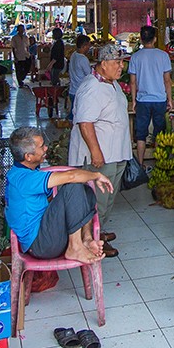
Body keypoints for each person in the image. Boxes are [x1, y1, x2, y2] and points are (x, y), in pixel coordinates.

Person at [4, 126, 111, 264]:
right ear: (28, 157)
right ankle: (75, 247)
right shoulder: (23, 178)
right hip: (40, 245)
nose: (46, 149)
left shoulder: (29, 171)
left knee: (86, 190)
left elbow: (49, 202)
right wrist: (96, 175)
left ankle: (87, 239)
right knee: (73, 187)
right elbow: (71, 176)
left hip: (46, 235)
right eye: (41, 146)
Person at [69, 43, 131, 246]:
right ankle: (91, 240)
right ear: (103, 64)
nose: (121, 67)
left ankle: (99, 232)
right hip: (101, 156)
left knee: (108, 198)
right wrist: (96, 153)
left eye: (122, 62)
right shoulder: (92, 88)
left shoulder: (110, 82)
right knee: (98, 200)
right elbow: (85, 123)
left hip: (116, 153)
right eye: (117, 62)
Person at [128, 25, 173, 169]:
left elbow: (133, 82)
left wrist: (134, 100)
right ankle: (159, 163)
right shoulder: (163, 56)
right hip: (160, 100)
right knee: (159, 132)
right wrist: (170, 99)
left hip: (142, 100)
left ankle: (140, 164)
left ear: (141, 39)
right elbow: (167, 80)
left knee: (141, 133)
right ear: (155, 39)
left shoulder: (135, 57)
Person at [66, 33, 93, 116]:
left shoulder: (74, 54)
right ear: (84, 46)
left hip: (73, 90)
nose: (89, 48)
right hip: (80, 92)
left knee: (73, 113)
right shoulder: (83, 59)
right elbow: (90, 75)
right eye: (88, 45)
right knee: (79, 115)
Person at [9, 24, 33, 88]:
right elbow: (13, 48)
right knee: (18, 69)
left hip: (25, 55)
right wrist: (15, 57)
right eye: (20, 29)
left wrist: (28, 53)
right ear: (18, 30)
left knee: (26, 67)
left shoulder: (26, 37)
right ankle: (20, 82)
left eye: (22, 29)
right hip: (18, 55)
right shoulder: (14, 38)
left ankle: (22, 77)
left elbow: (27, 46)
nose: (22, 30)